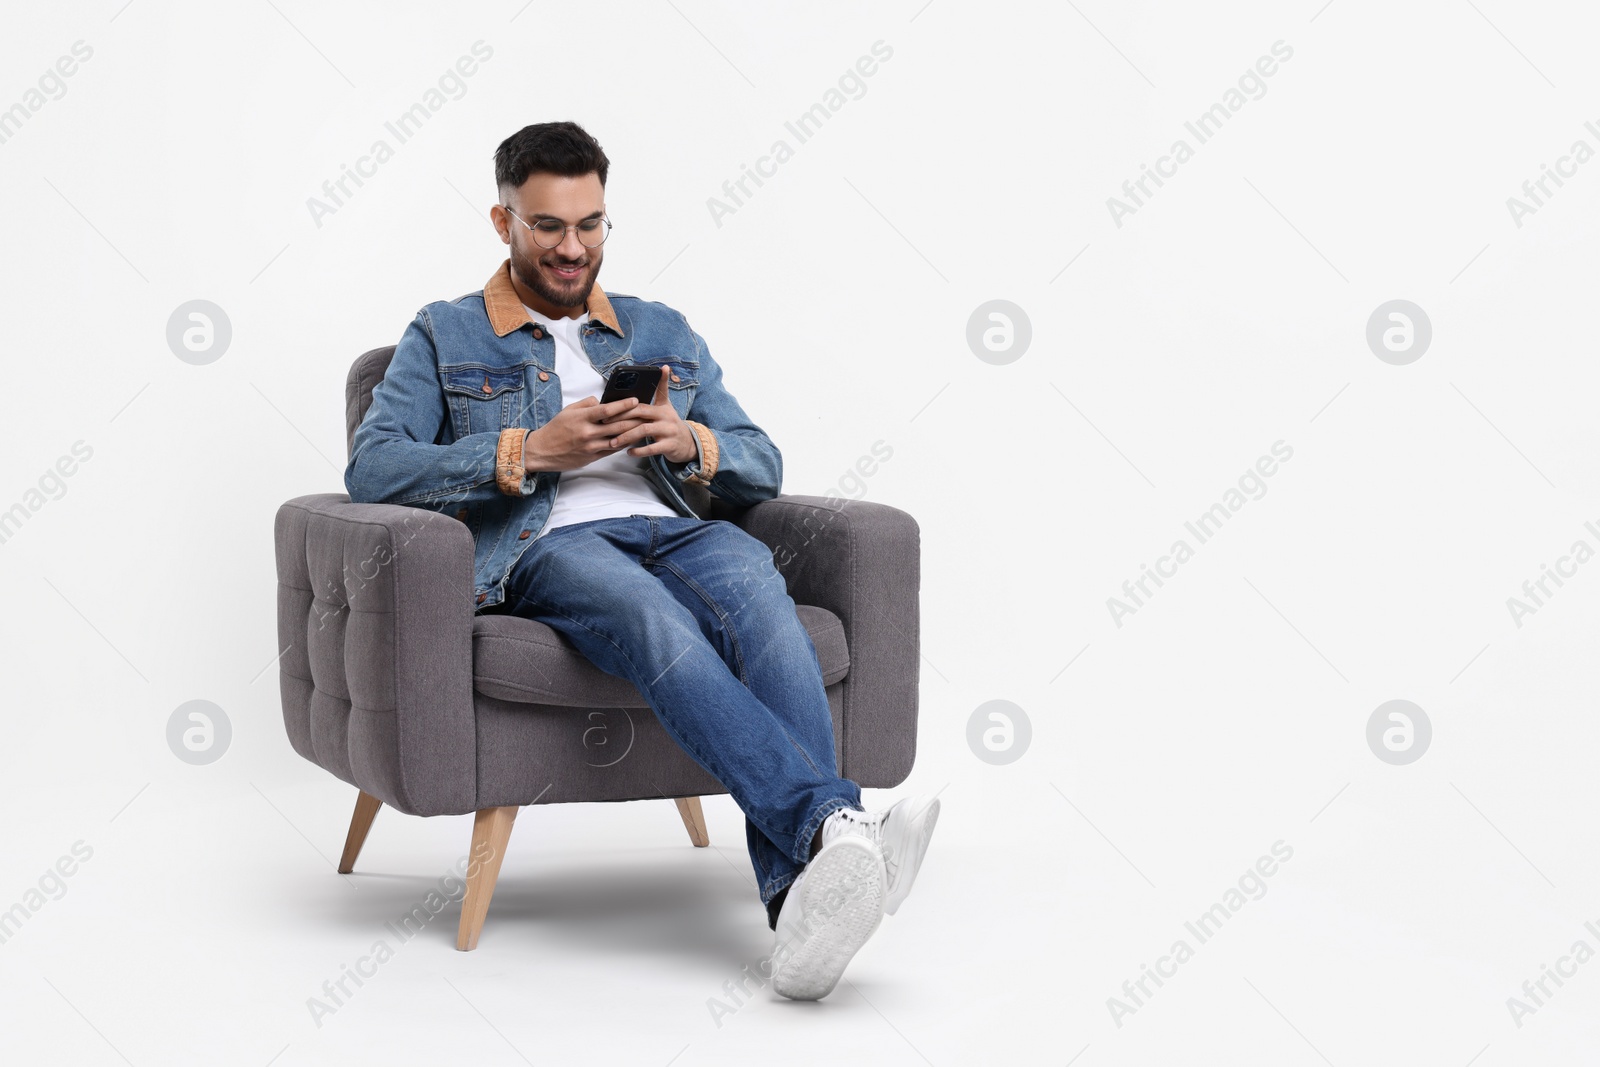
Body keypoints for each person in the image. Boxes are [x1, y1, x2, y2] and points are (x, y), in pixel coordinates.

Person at [344, 120, 938, 1000]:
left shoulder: (662, 327)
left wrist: (690, 438)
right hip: (552, 543)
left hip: (684, 529)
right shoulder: (443, 334)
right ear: (503, 221)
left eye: (591, 224)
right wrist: (529, 450)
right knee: (651, 619)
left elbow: (761, 460)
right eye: (548, 225)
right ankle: (832, 826)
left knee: (766, 609)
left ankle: (804, 917)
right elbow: (373, 465)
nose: (573, 247)